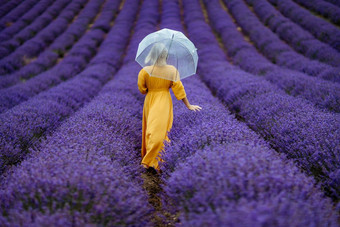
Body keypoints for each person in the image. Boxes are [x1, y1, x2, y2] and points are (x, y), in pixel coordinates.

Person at [137, 43, 202, 174]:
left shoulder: (145, 71)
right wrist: (188, 105)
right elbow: (179, 90)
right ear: (166, 55)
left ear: (152, 55)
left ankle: (149, 161)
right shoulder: (172, 70)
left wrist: (152, 87)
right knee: (161, 130)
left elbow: (142, 89)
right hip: (164, 101)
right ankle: (155, 160)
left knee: (152, 129)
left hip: (150, 100)